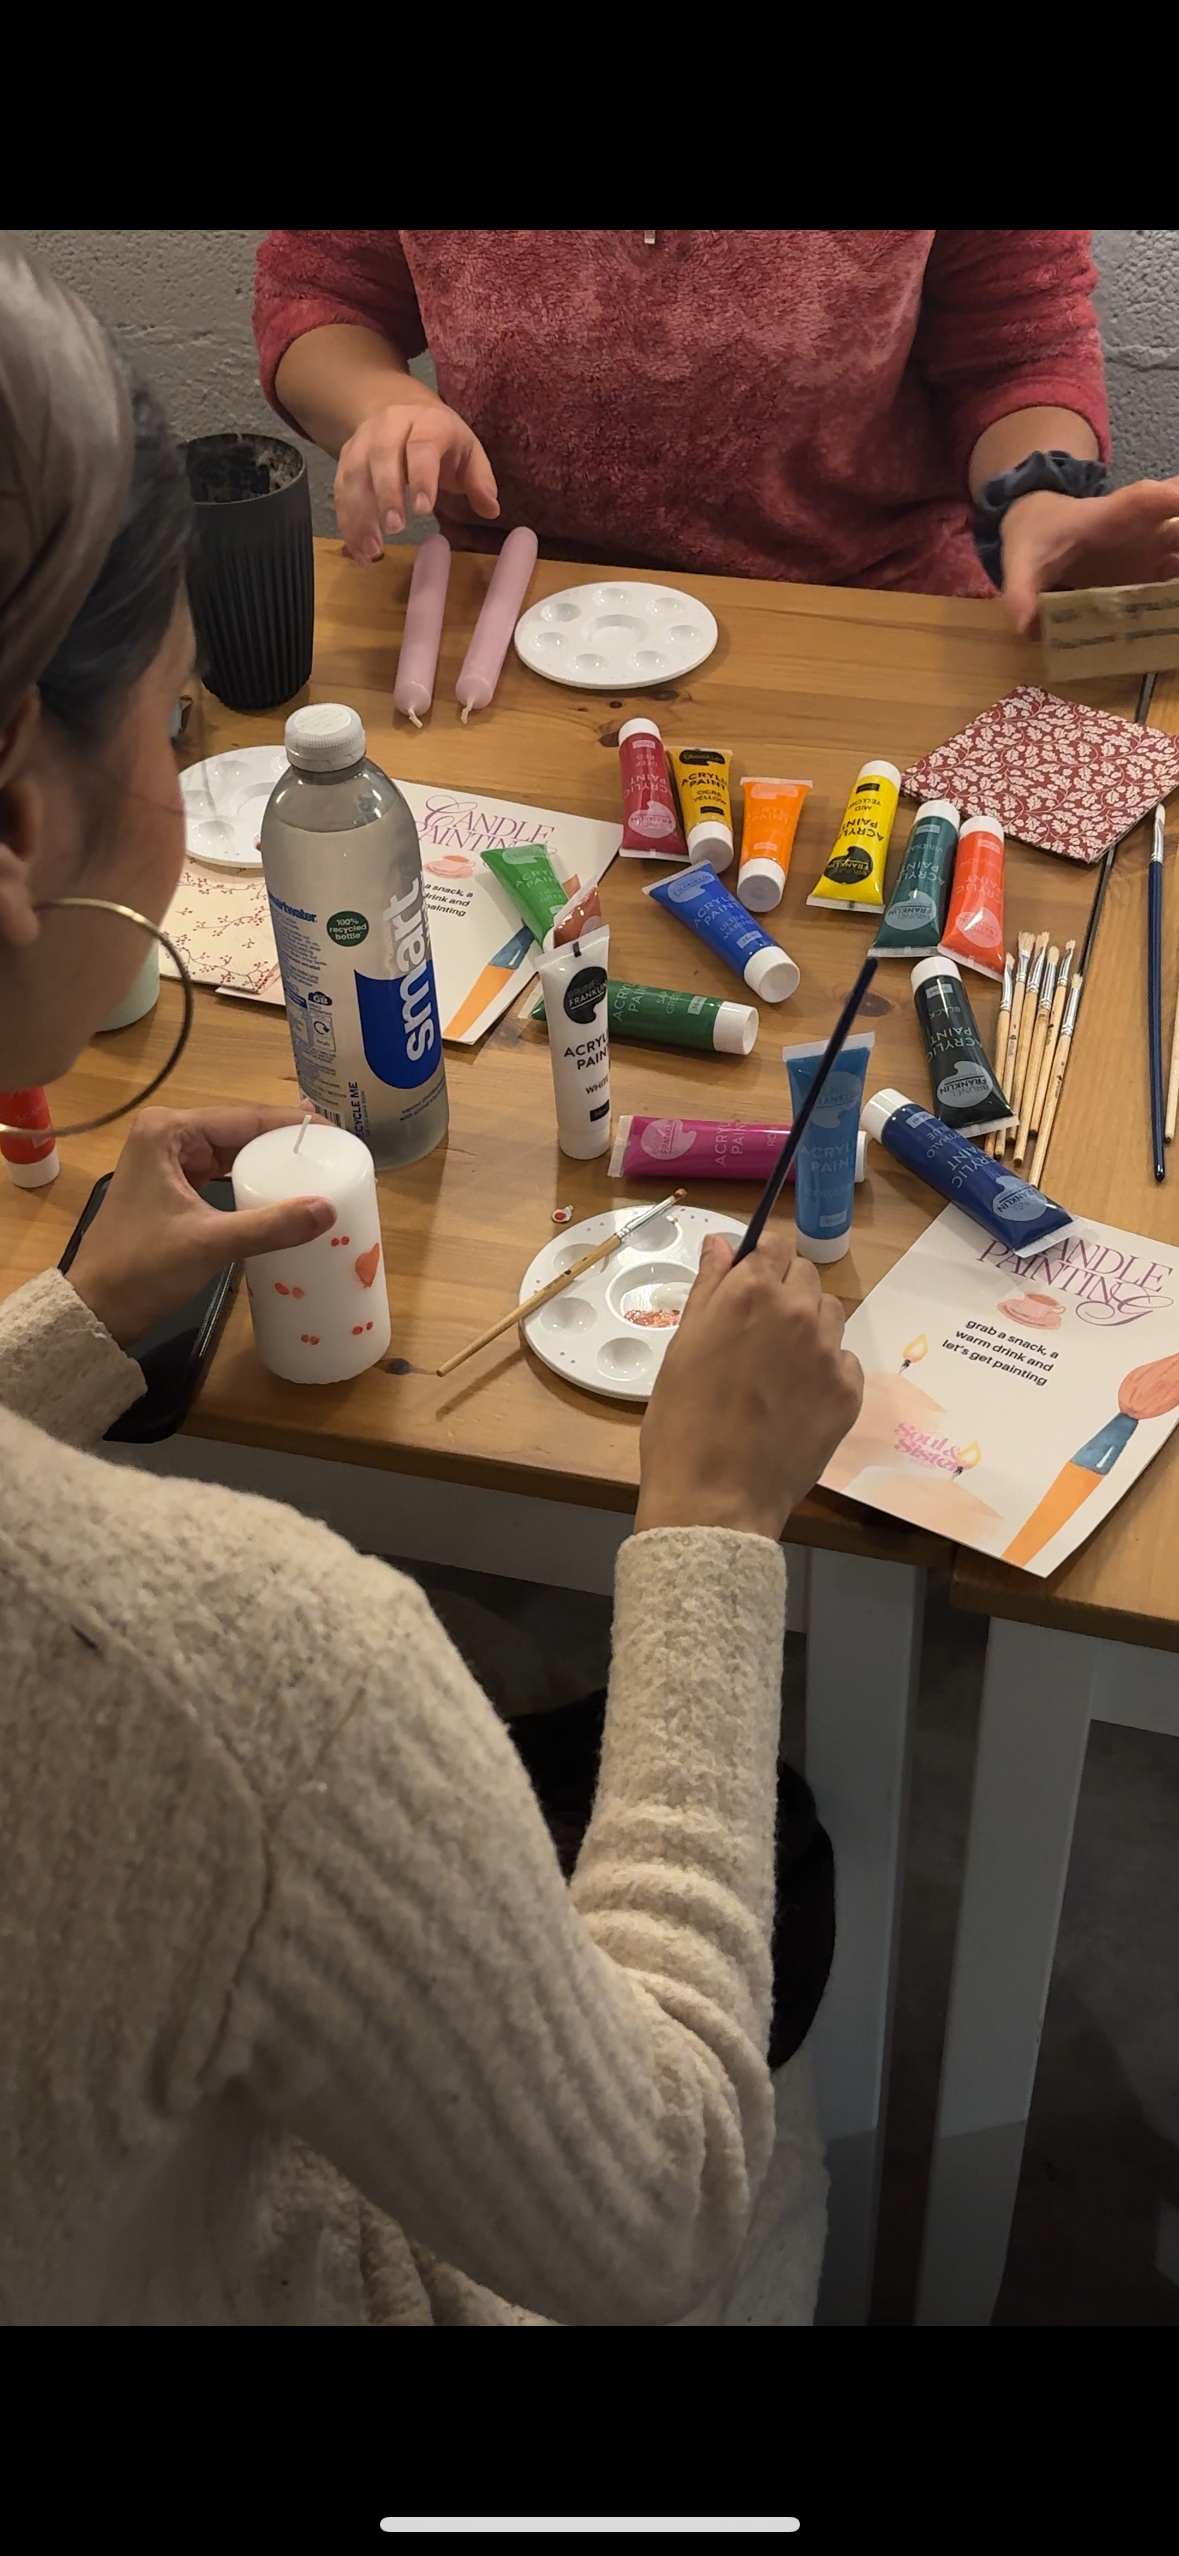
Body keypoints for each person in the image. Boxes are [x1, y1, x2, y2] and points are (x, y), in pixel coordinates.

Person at [0, 240, 863, 2328]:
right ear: (25, 813)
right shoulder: (255, 1685)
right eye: (178, 690)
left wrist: (52, 1346)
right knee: (794, 1877)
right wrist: (707, 1529)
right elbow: (648, 2210)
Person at [254, 229, 1179, 635]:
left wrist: (1037, 498)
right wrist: (383, 403)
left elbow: (1016, 352)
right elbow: (319, 291)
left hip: (865, 610)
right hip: (515, 608)